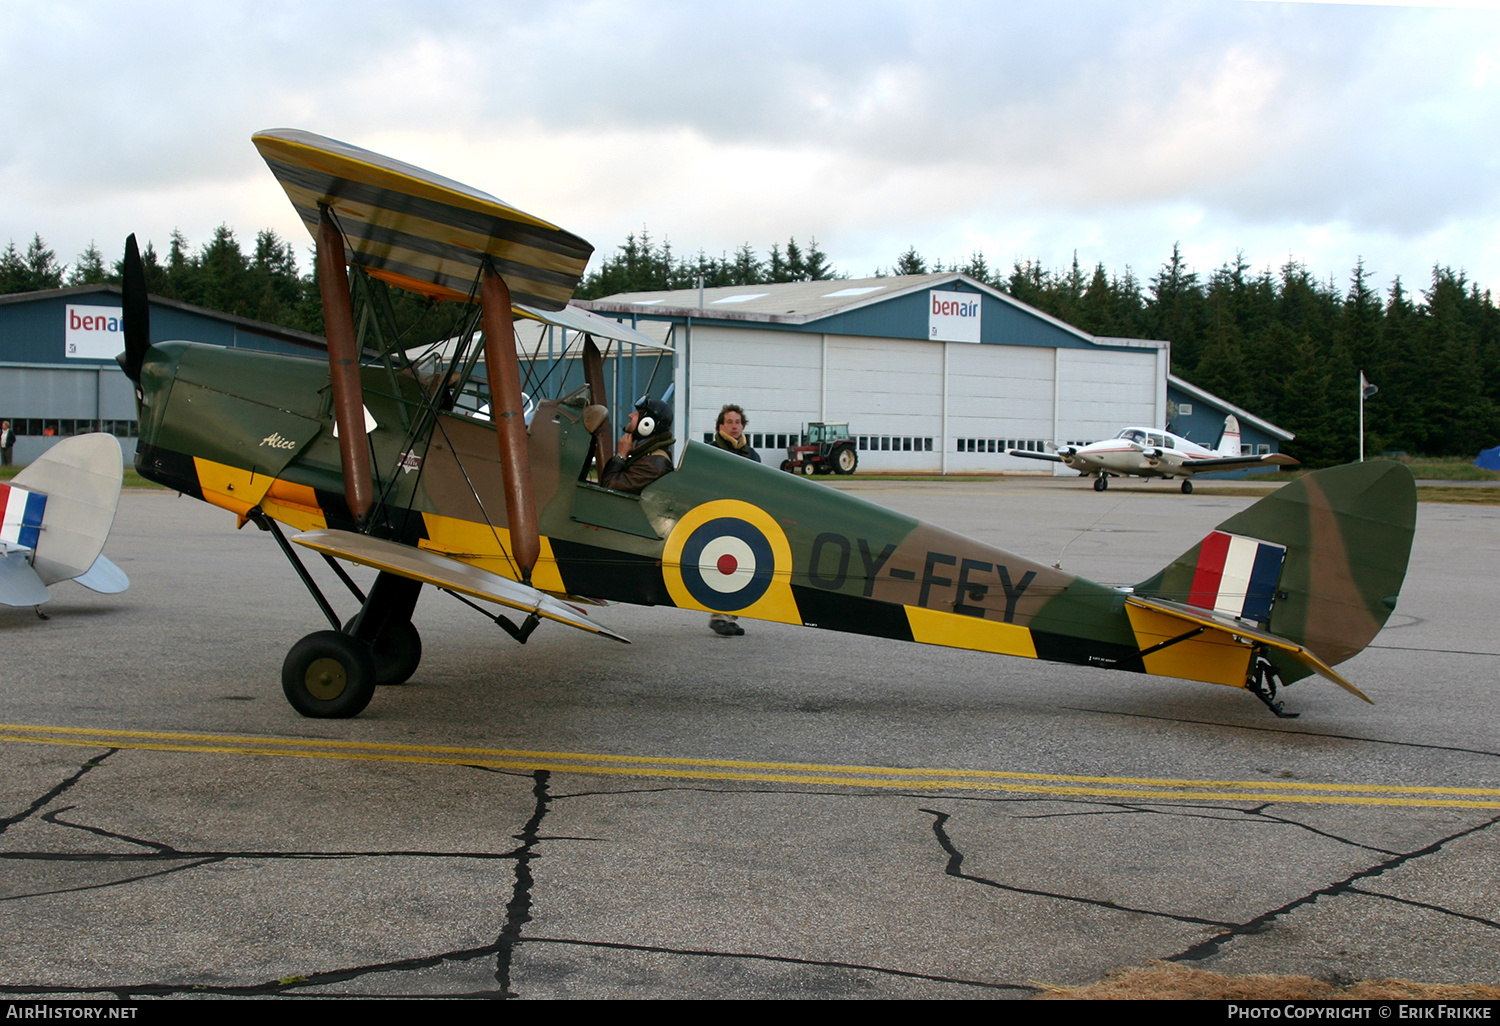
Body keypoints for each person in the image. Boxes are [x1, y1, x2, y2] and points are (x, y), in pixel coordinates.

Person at [706, 404, 760, 636]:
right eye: (729, 422)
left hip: (742, 519)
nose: (734, 426)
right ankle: (717, 615)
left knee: (741, 567)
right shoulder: (710, 451)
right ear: (720, 426)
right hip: (718, 518)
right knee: (720, 567)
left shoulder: (752, 455)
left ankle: (730, 616)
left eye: (738, 422)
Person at [599, 396, 675, 495]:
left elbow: (609, 487)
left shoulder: (653, 465)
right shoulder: (646, 455)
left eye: (637, 414)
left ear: (647, 424)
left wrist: (621, 455)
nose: (630, 415)